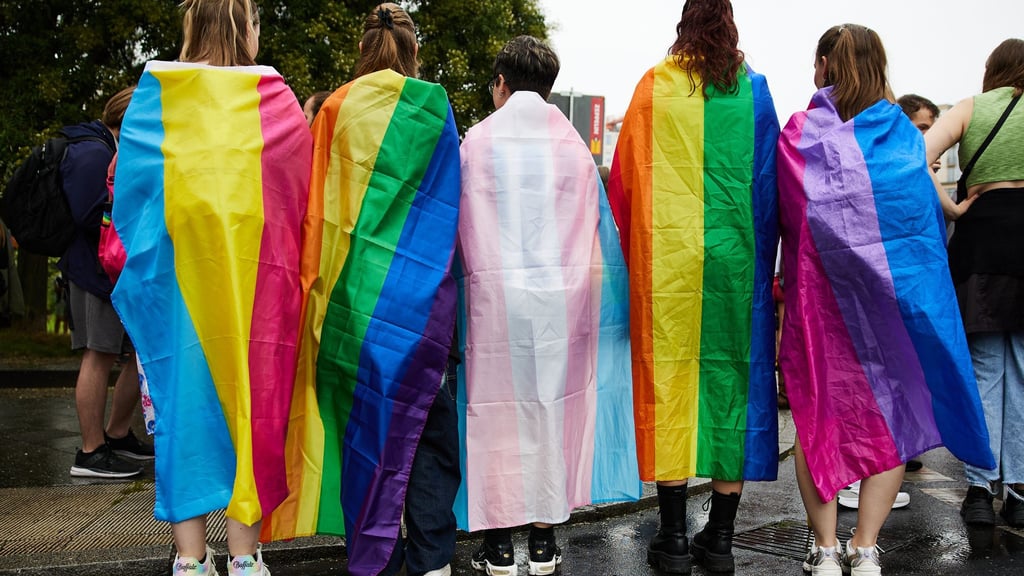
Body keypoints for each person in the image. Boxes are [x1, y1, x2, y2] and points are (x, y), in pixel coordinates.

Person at [777, 24, 995, 576]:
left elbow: (788, 218)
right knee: (893, 417)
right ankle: (866, 548)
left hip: (820, 309)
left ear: (824, 63)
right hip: (890, 310)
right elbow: (918, 233)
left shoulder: (801, 135)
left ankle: (825, 550)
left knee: (817, 418)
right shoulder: (901, 137)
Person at [259, 5, 462, 576]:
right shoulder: (434, 106)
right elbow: (450, 208)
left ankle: (376, 560)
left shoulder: (335, 109)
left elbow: (315, 210)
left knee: (363, 440)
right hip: (421, 313)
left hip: (350, 309)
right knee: (426, 437)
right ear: (412, 49)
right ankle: (433, 561)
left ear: (364, 49)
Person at [111, 1, 312, 574]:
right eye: (255, 23)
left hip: (178, 293)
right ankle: (245, 559)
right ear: (243, 28)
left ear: (191, 28)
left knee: (184, 409)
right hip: (258, 293)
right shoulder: (273, 98)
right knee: (255, 409)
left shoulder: (157, 95)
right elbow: (297, 193)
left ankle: (190, 560)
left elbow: (133, 197)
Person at [606, 1, 780, 574]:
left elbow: (626, 183)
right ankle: (722, 542)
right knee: (732, 388)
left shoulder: (654, 87)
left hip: (668, 269)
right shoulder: (753, 91)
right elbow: (769, 188)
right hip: (735, 269)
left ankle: (675, 538)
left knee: (670, 385)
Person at [457, 35, 638, 576]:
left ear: (500, 85)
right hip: (563, 304)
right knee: (551, 413)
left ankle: (496, 544)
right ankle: (542, 540)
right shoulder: (573, 148)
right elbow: (594, 235)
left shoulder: (478, 142)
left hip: (495, 299)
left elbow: (459, 223)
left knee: (492, 416)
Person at [924, 37, 1024, 529]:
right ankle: (1021, 491)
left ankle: (980, 490)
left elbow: (917, 159)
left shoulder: (969, 107)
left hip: (981, 243)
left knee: (985, 371)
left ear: (993, 70)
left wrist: (955, 206)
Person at [61, 85, 151, 480]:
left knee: (135, 352)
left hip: (110, 271)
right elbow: (91, 213)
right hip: (92, 272)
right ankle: (90, 451)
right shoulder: (93, 151)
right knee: (97, 354)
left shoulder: (106, 150)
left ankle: (115, 434)